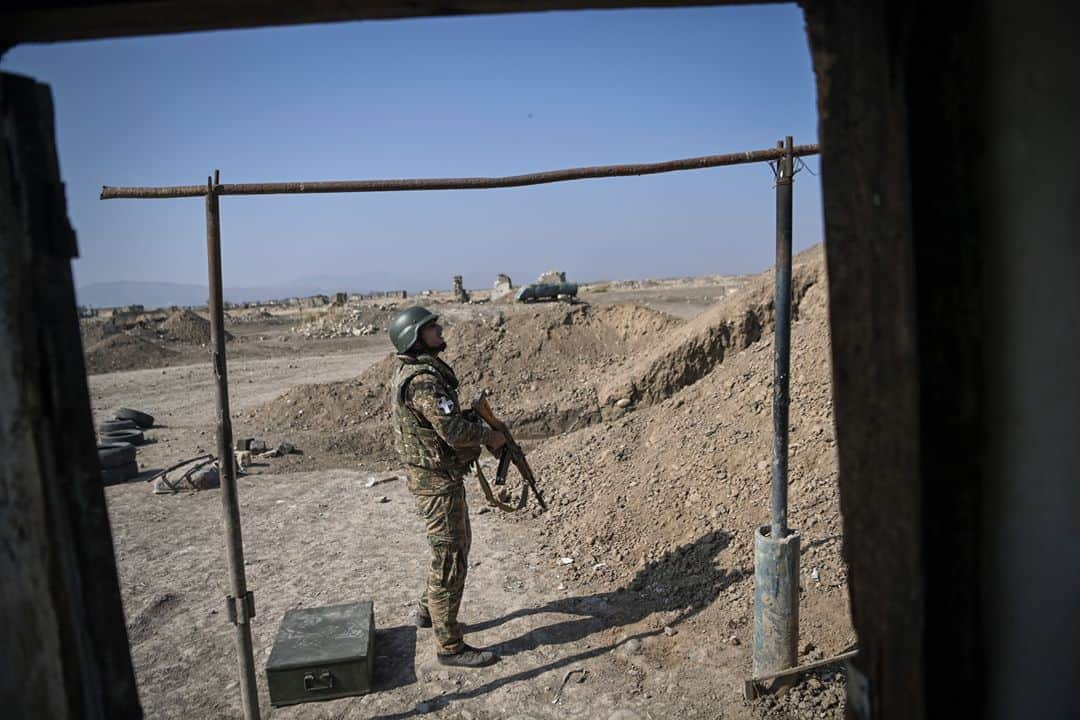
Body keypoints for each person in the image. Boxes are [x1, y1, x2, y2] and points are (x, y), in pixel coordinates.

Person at [387, 306, 506, 668]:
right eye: (431, 328)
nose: (439, 331)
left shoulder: (420, 372)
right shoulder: (423, 380)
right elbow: (450, 431)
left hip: (438, 478)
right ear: (415, 337)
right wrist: (490, 436)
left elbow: (443, 420)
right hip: (437, 482)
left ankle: (428, 611)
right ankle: (449, 646)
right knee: (450, 555)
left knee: (450, 549)